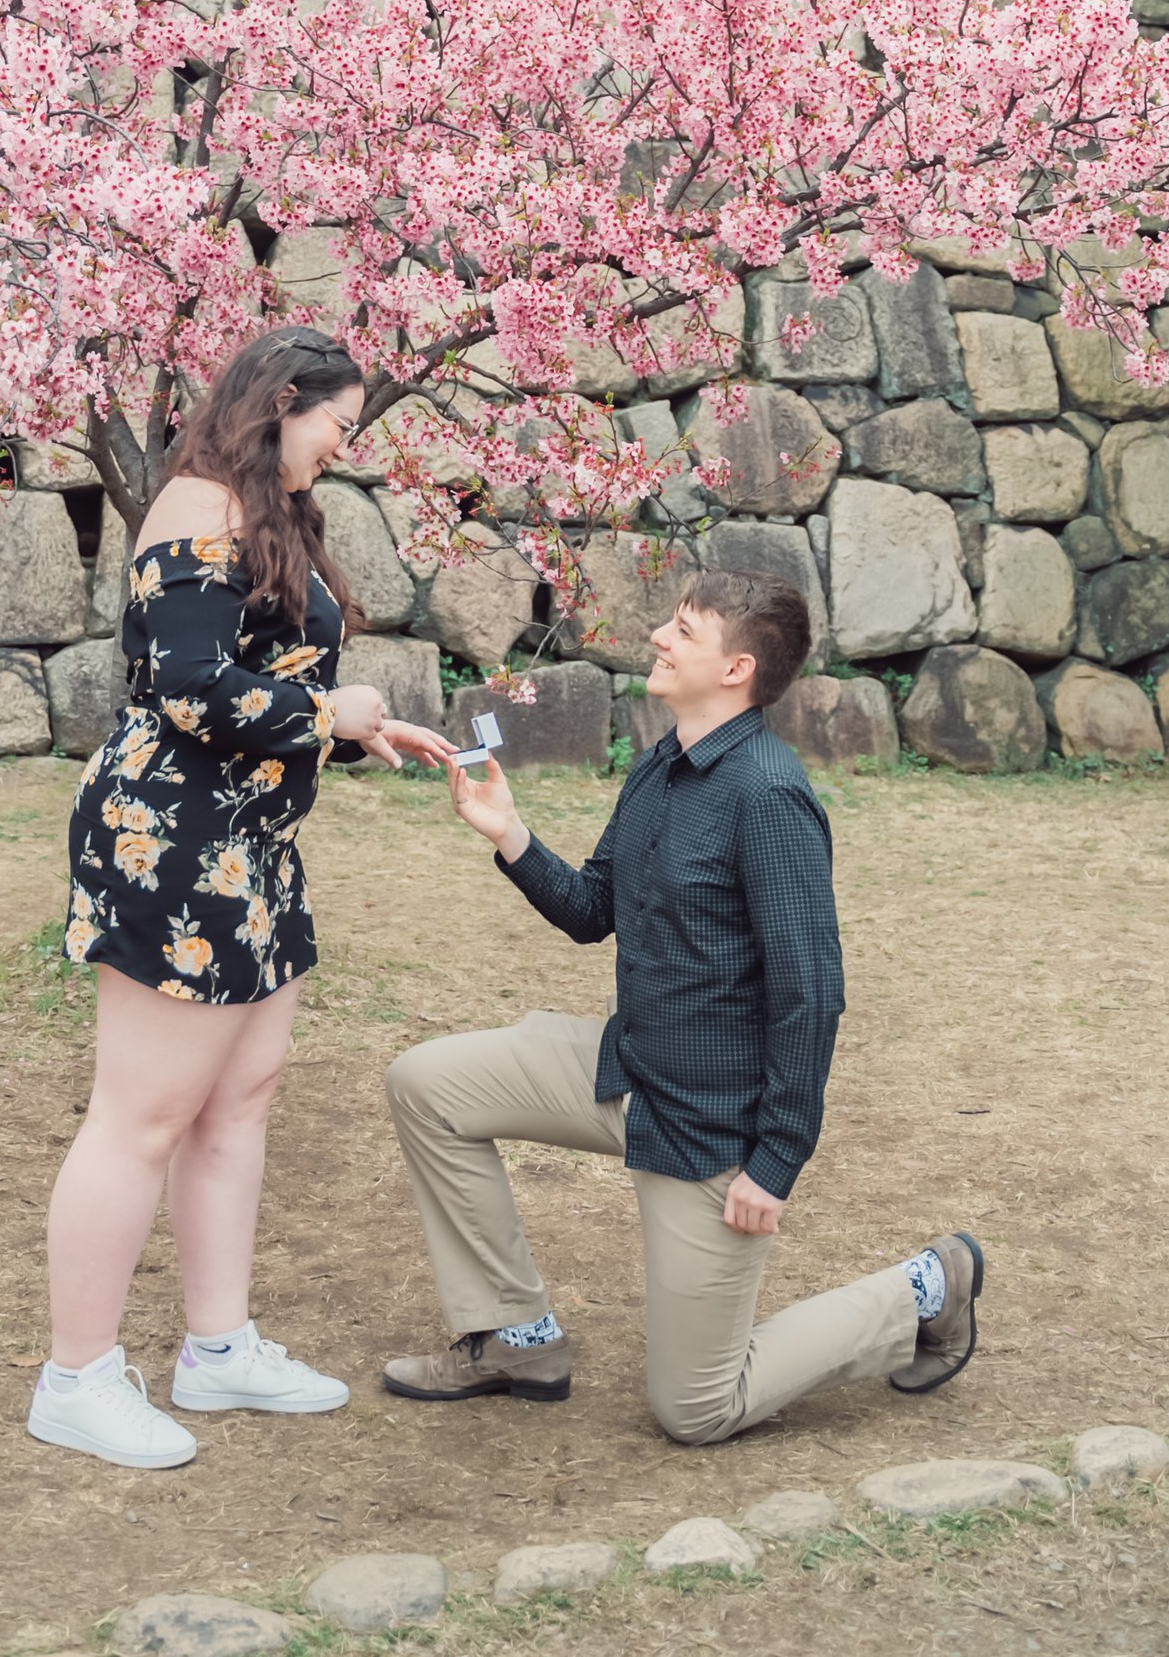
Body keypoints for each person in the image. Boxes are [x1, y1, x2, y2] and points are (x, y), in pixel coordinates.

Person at [380, 569, 983, 1443]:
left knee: (697, 1408)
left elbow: (811, 993)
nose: (660, 637)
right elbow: (592, 910)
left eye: (685, 630)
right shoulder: (663, 763)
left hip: (707, 1125)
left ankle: (928, 1287)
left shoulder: (768, 796)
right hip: (626, 1069)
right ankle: (516, 1338)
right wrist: (509, 832)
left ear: (736, 670)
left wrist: (776, 1159)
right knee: (427, 1084)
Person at [29, 326, 454, 1471]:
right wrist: (328, 714)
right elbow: (188, 688)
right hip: (172, 840)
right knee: (141, 1117)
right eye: (336, 424)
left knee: (241, 1101)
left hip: (251, 840)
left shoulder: (266, 512)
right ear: (281, 403)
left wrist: (352, 731)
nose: (342, 446)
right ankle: (76, 1379)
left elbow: (264, 675)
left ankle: (217, 1350)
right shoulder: (194, 509)